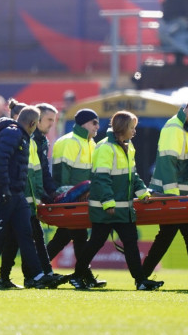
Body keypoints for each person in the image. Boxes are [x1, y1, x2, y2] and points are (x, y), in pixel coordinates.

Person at [69, 111, 163, 291]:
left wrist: (143, 193)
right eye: (132, 128)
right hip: (108, 208)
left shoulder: (127, 146)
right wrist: (108, 203)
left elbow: (132, 176)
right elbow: (101, 179)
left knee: (129, 242)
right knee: (97, 242)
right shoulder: (105, 148)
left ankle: (141, 280)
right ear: (122, 129)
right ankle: (77, 275)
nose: (135, 131)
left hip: (121, 209)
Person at [0, 106, 57, 290]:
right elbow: (0, 160)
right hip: (2, 192)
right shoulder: (13, 133)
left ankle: (38, 275)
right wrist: (5, 188)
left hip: (15, 193)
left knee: (26, 234)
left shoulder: (20, 135)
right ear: (33, 123)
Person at [142, 96, 188, 283]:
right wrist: (174, 198)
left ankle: (142, 276)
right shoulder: (175, 128)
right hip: (175, 197)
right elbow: (168, 163)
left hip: (179, 196)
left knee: (174, 237)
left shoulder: (183, 129)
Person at [0, 102, 62, 288]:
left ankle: (24, 276)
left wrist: (49, 194)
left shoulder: (38, 141)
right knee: (28, 237)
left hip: (28, 198)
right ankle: (37, 275)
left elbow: (40, 172)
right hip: (21, 197)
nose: (52, 124)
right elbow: (20, 170)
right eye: (49, 119)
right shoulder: (25, 139)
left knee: (17, 239)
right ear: (37, 120)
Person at [46, 108, 103, 288]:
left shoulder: (92, 143)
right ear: (84, 123)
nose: (97, 126)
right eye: (94, 122)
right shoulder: (67, 142)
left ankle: (37, 269)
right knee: (76, 237)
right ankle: (83, 276)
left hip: (81, 201)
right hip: (69, 201)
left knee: (67, 238)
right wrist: (67, 201)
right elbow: (61, 177)